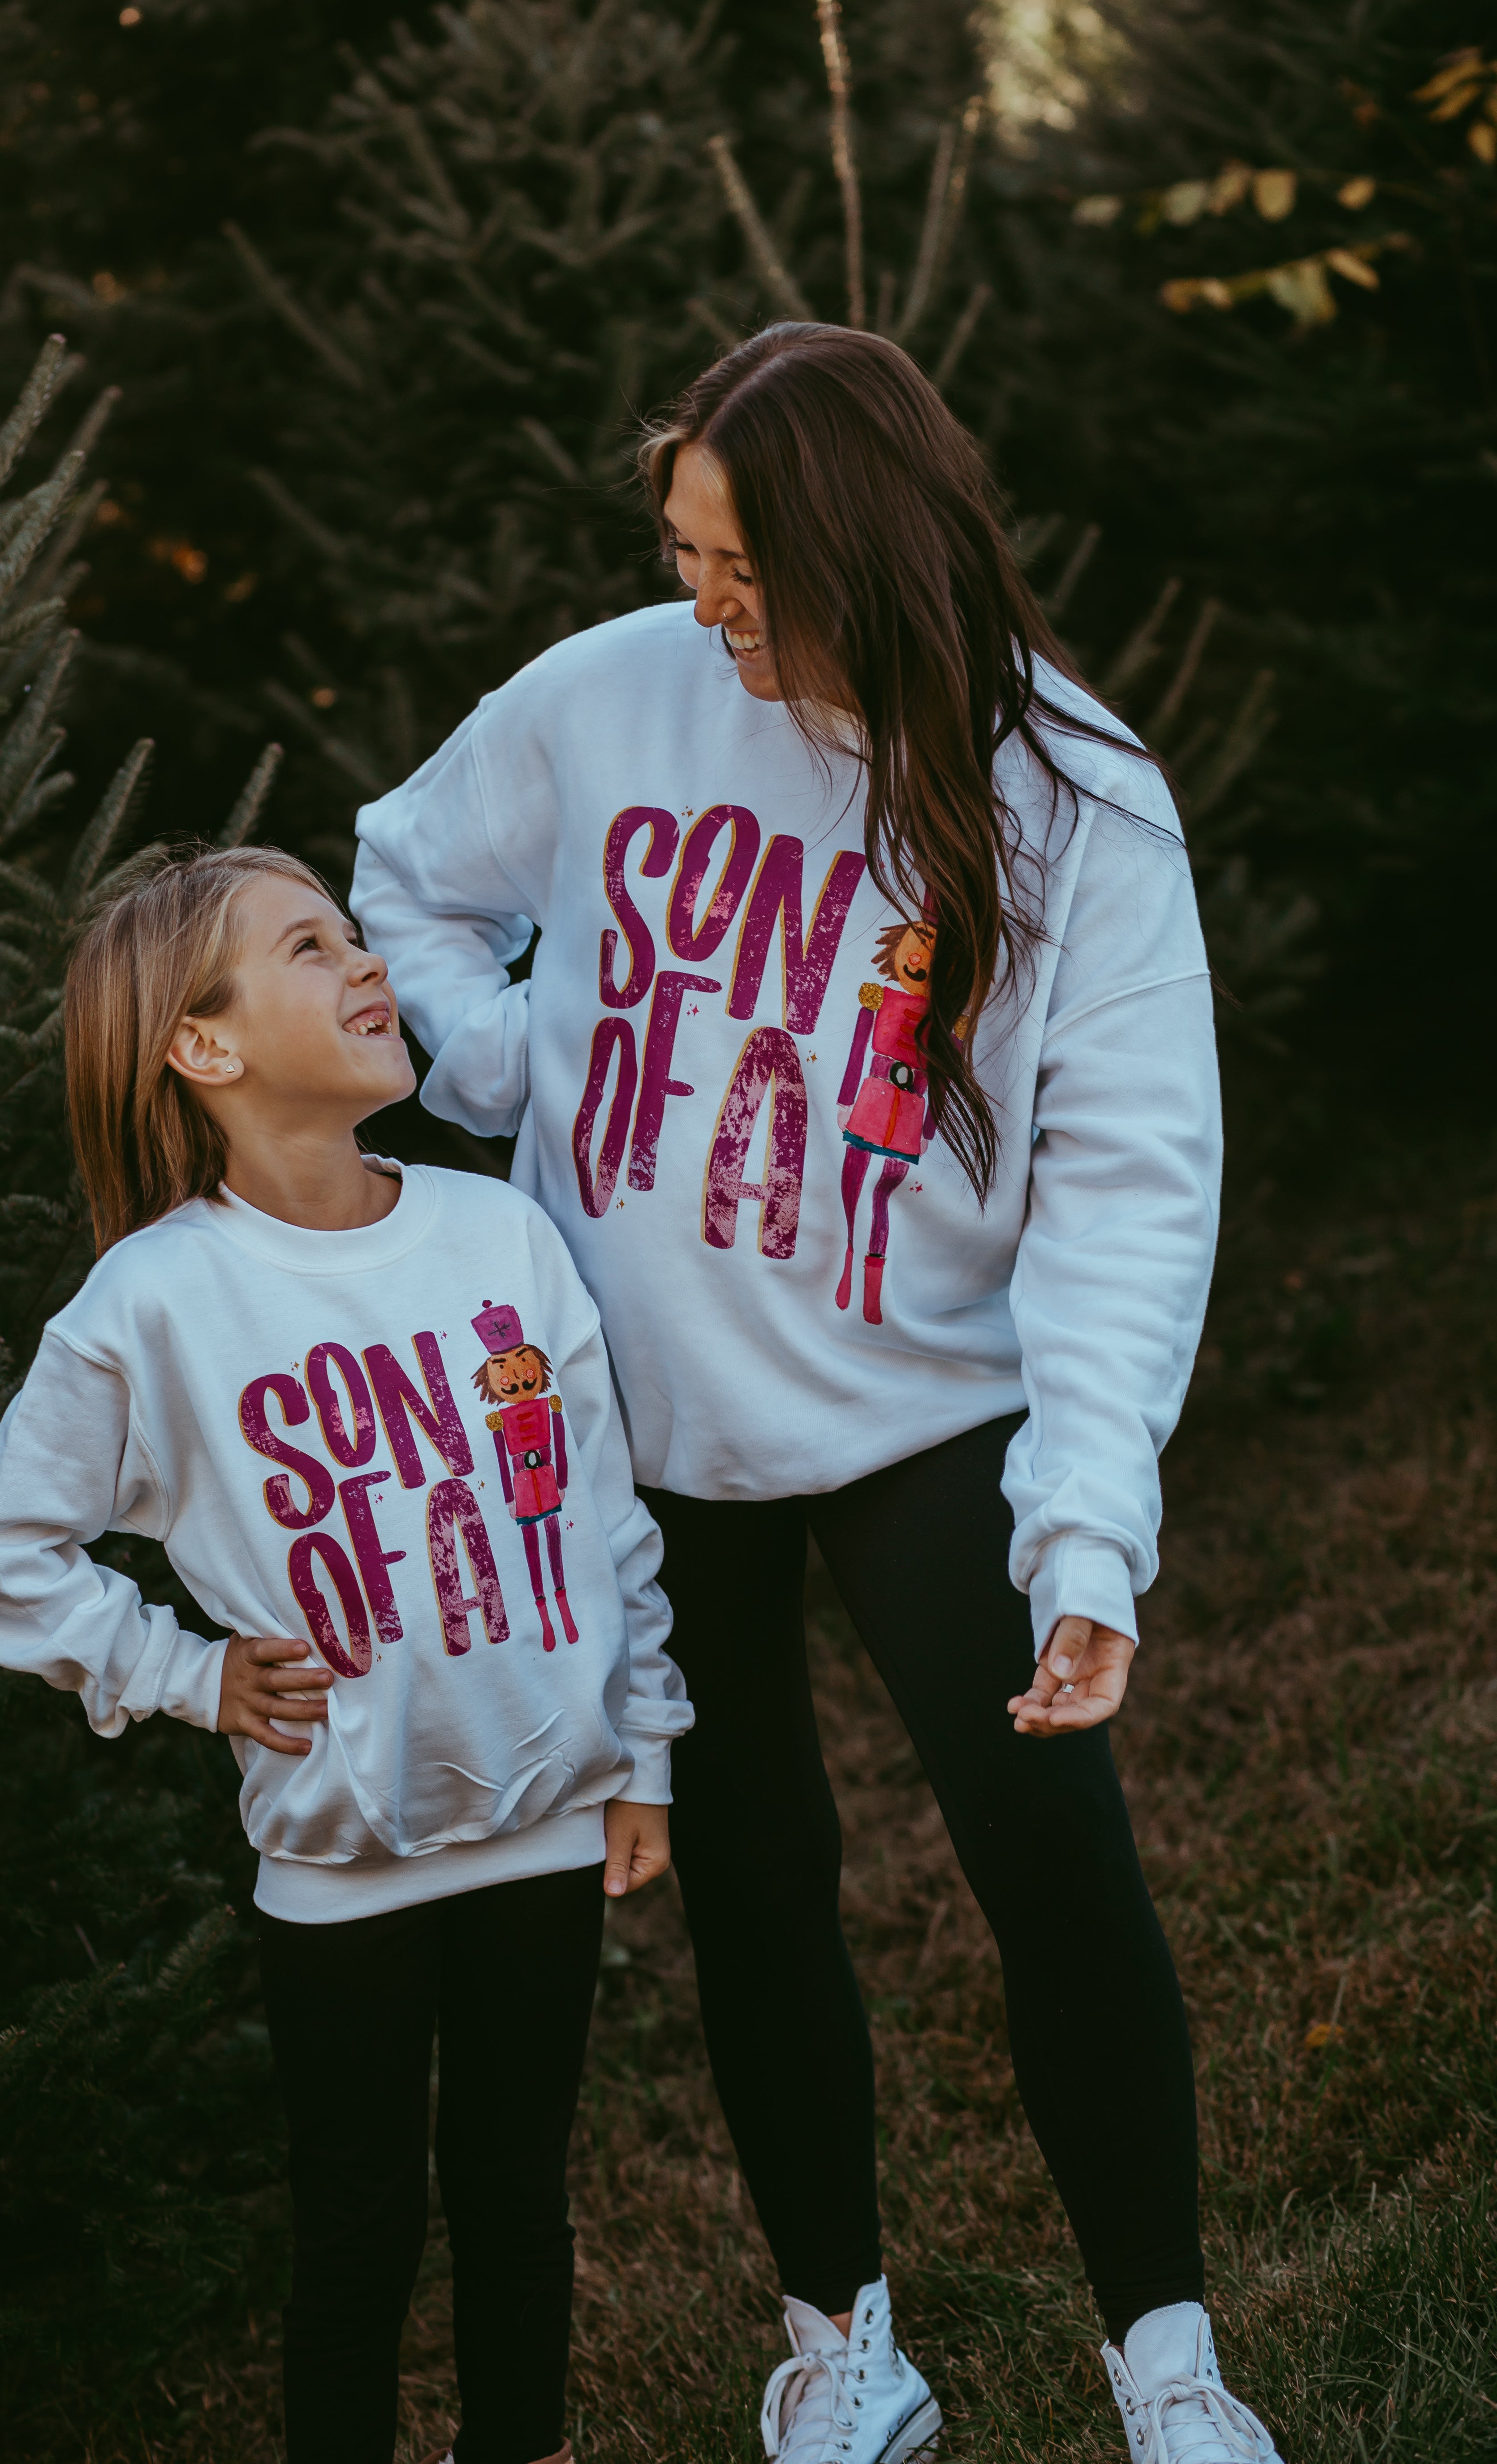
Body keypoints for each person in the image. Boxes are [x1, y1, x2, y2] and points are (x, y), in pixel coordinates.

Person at [352, 324, 1283, 2464]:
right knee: (756, 1878)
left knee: (1053, 1862)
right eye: (683, 555)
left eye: (743, 568)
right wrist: (502, 1067)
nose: (706, 607)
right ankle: (840, 2341)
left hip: (927, 1418)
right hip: (641, 1423)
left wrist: (1087, 1527)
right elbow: (409, 871)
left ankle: (1169, 2367)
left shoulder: (1073, 799)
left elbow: (1130, 1196)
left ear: (864, 549)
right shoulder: (605, 699)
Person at [0, 846, 692, 2464]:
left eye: (355, 935)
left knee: (515, 2195)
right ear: (202, 1045)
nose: (366, 964)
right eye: (308, 947)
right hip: (343, 1864)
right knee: (359, 2231)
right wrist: (186, 1673)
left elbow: (604, 1522)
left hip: (547, 1827)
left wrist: (645, 1749)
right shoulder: (155, 1303)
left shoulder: (500, 1237)